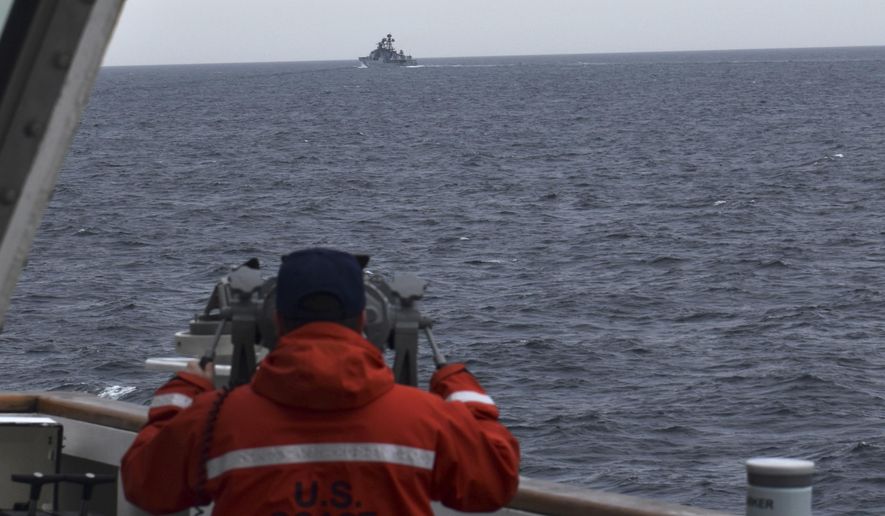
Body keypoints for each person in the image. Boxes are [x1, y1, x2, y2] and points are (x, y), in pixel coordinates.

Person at [121, 248, 520, 515]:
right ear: (366, 320)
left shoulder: (215, 420)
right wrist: (462, 390)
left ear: (274, 321)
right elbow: (493, 484)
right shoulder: (426, 419)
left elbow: (145, 485)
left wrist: (183, 393)